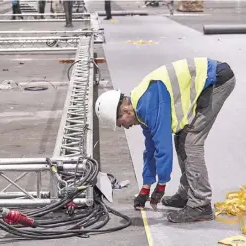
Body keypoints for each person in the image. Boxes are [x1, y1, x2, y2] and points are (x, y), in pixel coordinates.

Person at [94, 57, 236, 223]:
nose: (123, 128)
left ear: (125, 111)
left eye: (120, 124)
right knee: (182, 137)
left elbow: (163, 147)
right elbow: (151, 149)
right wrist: (146, 187)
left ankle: (200, 205)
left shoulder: (148, 104)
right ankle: (186, 195)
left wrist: (161, 185)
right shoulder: (139, 107)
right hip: (210, 78)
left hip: (216, 80)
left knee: (191, 143)